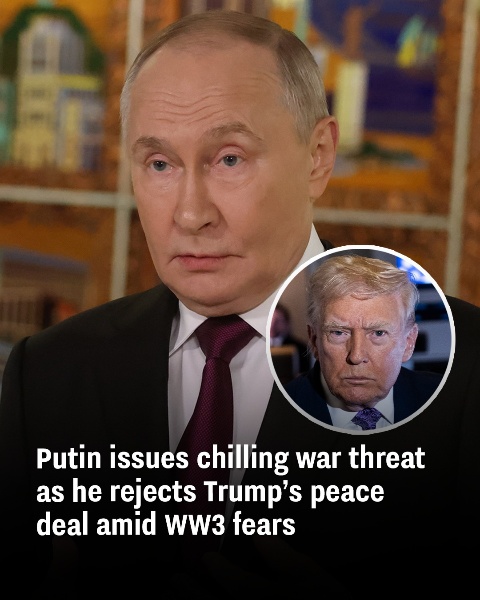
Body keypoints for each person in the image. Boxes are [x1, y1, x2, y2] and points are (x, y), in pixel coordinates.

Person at [0, 9, 478, 600]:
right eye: (159, 164)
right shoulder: (47, 374)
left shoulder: (466, 373)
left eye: (229, 158)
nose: (190, 213)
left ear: (317, 155)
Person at [285, 254, 443, 430]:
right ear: (314, 341)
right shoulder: (272, 412)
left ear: (408, 342)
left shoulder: (448, 402)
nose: (356, 356)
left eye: (378, 333)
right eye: (338, 332)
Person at [270, 303, 311, 375]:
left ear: (286, 323)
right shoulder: (257, 346)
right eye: (270, 321)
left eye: (278, 321)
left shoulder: (299, 348)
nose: (273, 325)